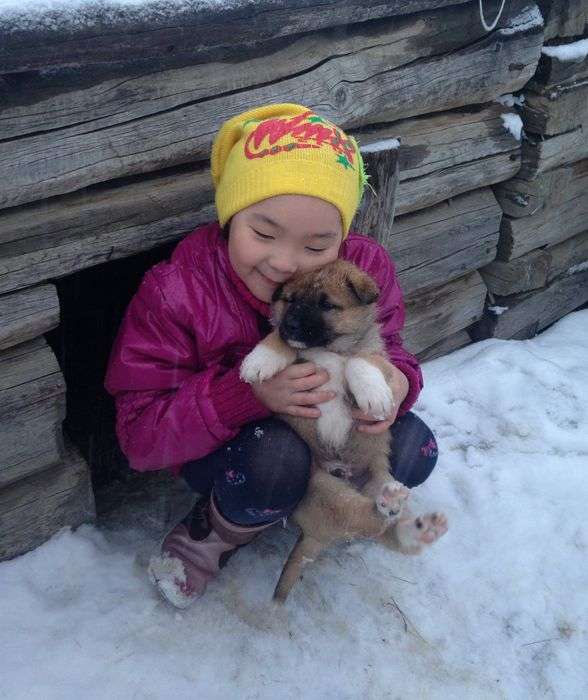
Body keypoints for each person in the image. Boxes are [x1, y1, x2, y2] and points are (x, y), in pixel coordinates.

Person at [104, 103, 439, 608]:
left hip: (337, 432)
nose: (285, 263)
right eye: (262, 233)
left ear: (343, 238)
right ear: (229, 216)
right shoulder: (177, 292)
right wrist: (246, 396)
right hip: (242, 450)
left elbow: (393, 350)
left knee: (415, 446)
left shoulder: (364, 270)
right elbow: (139, 438)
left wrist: (397, 384)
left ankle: (340, 511)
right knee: (275, 460)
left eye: (318, 243)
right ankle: (215, 532)